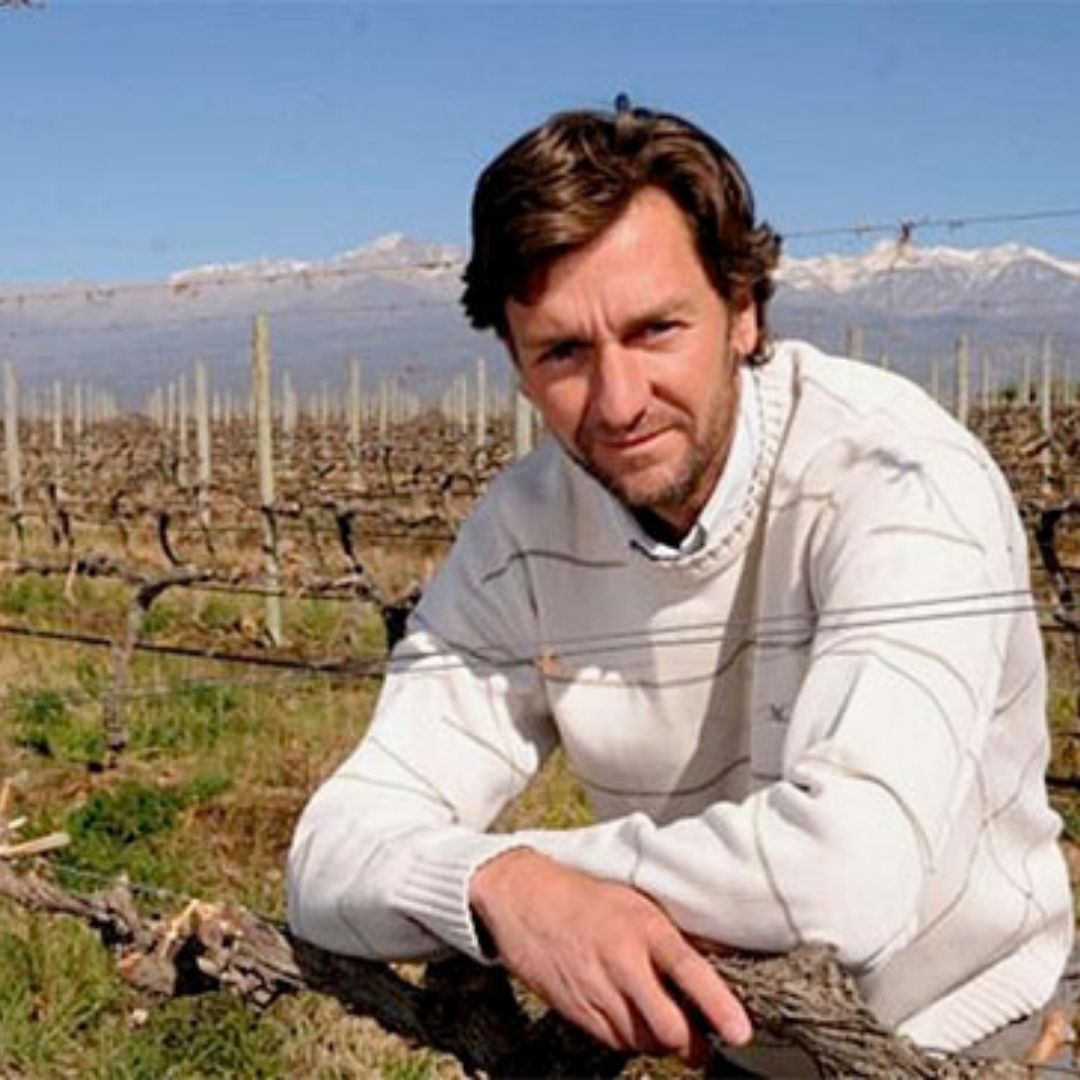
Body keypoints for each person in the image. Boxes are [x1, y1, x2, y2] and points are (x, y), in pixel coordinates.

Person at [287, 100, 1074, 1073]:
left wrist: (529, 882)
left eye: (655, 329)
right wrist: (501, 888)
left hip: (981, 1045)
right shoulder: (523, 529)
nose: (619, 402)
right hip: (744, 1055)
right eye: (564, 352)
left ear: (744, 313)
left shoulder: (898, 477)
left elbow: (847, 881)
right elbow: (326, 857)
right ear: (517, 367)